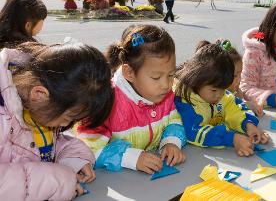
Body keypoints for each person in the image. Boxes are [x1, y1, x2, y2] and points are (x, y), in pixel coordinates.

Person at [0, 42, 114, 200]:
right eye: (68, 118)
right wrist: (58, 181)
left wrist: (73, 160)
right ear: (39, 94)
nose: (64, 125)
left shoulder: (37, 111)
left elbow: (44, 146)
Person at [77, 25, 186, 175]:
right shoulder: (106, 102)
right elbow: (86, 149)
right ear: (129, 72)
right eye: (156, 77)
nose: (166, 85)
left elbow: (174, 121)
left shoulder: (164, 94)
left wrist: (171, 142)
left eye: (171, 75)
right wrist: (131, 157)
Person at [174, 42, 268, 157]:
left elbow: (234, 109)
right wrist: (231, 138)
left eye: (223, 89)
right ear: (196, 80)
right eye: (214, 90)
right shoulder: (185, 101)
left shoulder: (222, 94)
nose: (219, 95)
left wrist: (248, 125)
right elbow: (193, 132)